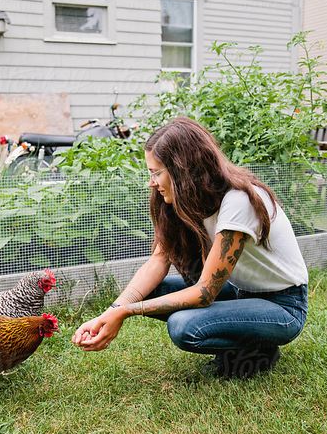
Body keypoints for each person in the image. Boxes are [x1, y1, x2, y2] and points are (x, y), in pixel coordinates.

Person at [72, 117, 308, 379]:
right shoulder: (186, 201)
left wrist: (127, 312)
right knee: (148, 291)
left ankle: (257, 351)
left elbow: (204, 293)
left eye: (156, 172)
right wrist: (113, 310)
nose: (151, 182)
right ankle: (245, 337)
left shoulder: (238, 201)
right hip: (243, 293)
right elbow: (158, 261)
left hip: (283, 306)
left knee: (183, 326)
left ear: (183, 169)